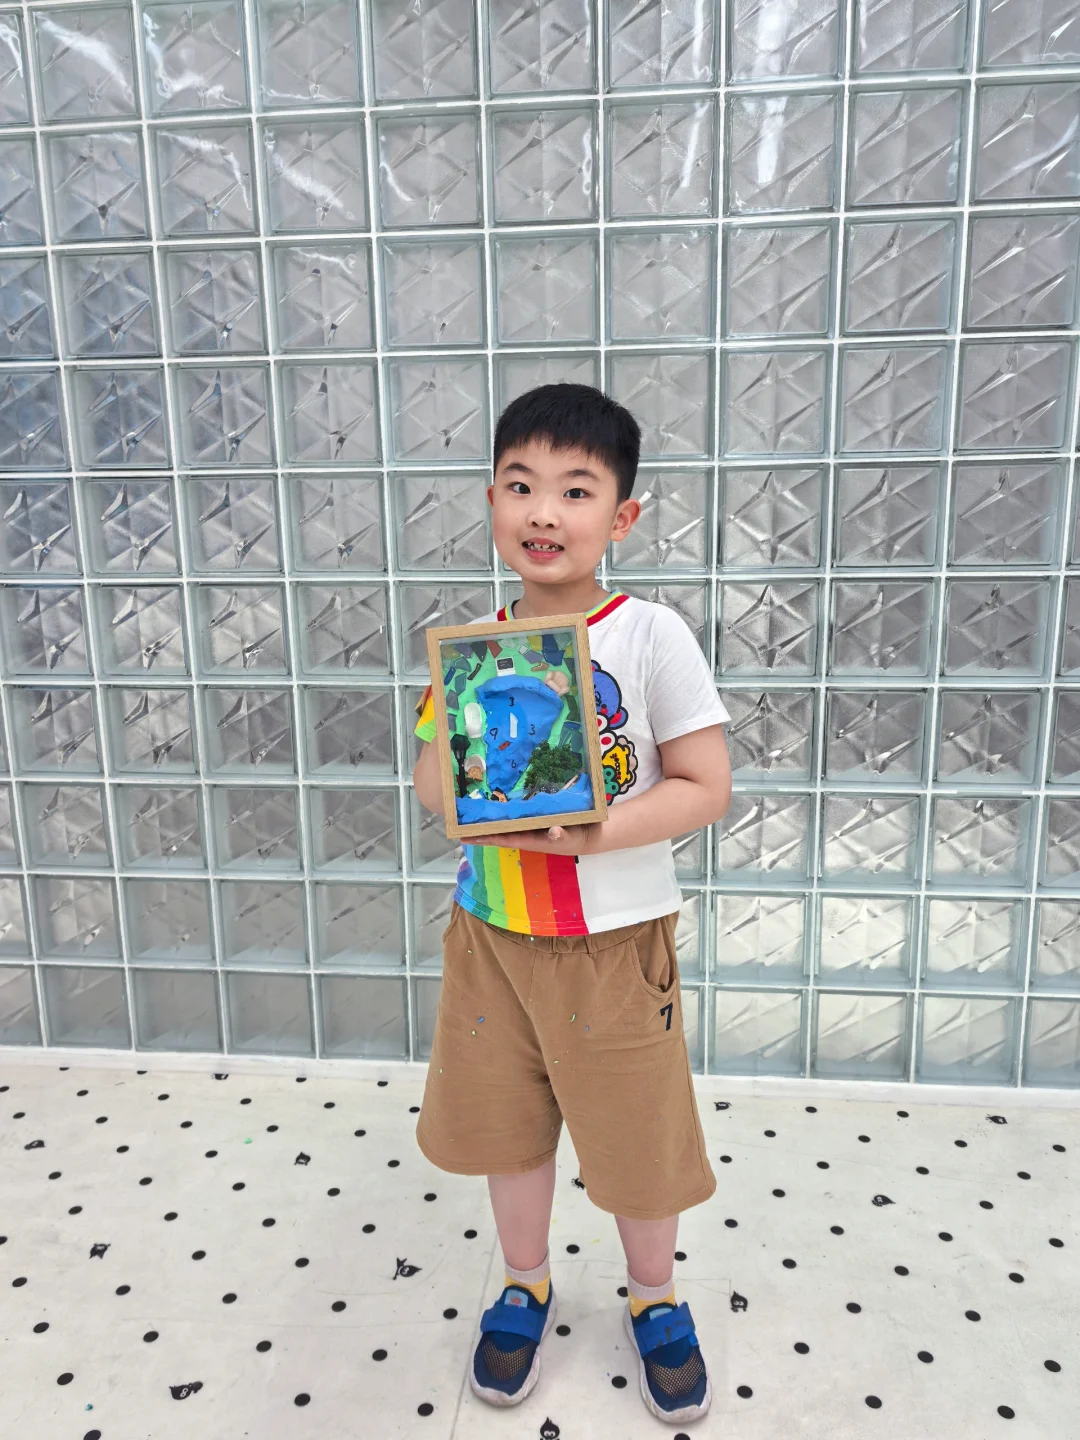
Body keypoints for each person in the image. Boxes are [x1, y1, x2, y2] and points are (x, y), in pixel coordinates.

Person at [411, 382, 732, 1425]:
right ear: (491, 501)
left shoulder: (650, 636)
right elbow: (431, 782)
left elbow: (706, 786)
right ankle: (524, 1283)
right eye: (520, 485)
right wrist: (468, 774)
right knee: (507, 1128)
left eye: (576, 490)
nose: (543, 511)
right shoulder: (474, 647)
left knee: (637, 1135)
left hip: (615, 942)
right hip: (492, 934)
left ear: (621, 516)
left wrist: (597, 832)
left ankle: (654, 1295)